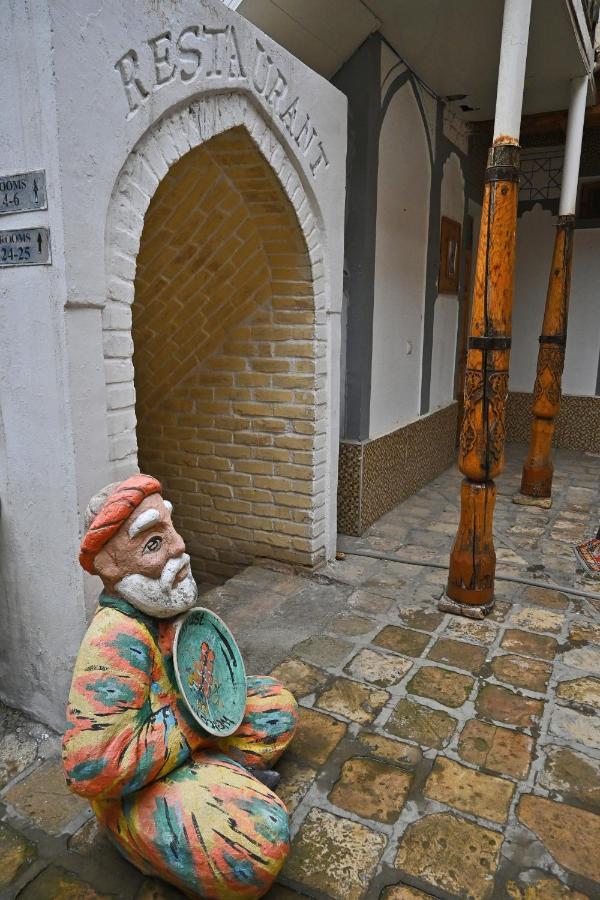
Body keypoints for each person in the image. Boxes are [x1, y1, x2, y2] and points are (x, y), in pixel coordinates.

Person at [63, 475, 298, 899]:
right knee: (256, 844)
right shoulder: (115, 639)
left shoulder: (159, 607)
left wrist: (212, 684)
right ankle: (142, 838)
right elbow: (89, 769)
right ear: (111, 568)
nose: (177, 547)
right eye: (152, 544)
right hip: (135, 787)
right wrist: (192, 719)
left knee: (277, 707)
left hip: (183, 746)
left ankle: (219, 776)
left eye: (169, 528)